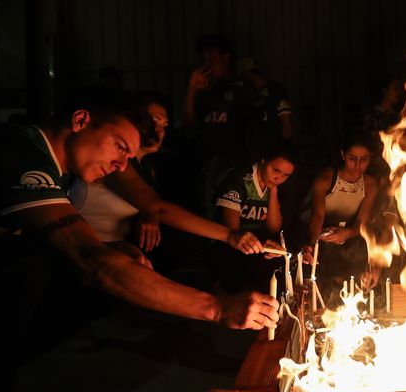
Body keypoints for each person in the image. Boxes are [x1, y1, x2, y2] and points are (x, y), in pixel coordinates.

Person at [0, 87, 279, 392]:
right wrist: (218, 308)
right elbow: (90, 260)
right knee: (34, 274)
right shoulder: (21, 153)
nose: (120, 165)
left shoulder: (58, 166)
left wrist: (112, 248)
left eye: (129, 156)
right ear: (81, 120)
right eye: (119, 146)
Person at [69, 92, 170, 264]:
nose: (159, 130)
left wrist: (151, 216)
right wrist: (226, 234)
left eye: (165, 125)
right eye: (154, 120)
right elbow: (156, 206)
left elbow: (151, 206)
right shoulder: (111, 164)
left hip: (115, 248)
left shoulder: (147, 169)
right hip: (82, 250)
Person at [211, 141, 298, 292]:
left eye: (286, 175)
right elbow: (233, 231)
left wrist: (274, 190)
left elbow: (274, 227)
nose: (279, 178)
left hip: (257, 244)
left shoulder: (277, 186)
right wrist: (263, 247)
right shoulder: (240, 180)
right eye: (276, 170)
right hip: (230, 243)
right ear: (263, 160)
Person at [183, 34, 255, 215]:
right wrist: (192, 89)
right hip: (204, 163)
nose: (207, 62)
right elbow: (189, 124)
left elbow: (254, 126)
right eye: (204, 58)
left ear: (226, 56)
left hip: (231, 163)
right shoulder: (207, 92)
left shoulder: (242, 87)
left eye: (211, 56)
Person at [303, 129, 379, 297]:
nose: (358, 165)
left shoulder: (370, 184)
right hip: (322, 235)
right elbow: (317, 216)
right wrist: (313, 245)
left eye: (364, 159)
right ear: (343, 155)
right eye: (352, 159)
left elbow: (362, 224)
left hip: (349, 238)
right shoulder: (326, 179)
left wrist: (347, 234)